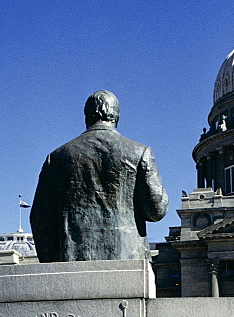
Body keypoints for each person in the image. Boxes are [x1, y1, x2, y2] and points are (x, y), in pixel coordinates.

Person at [30, 90, 168, 262]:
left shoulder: (57, 158)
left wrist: (51, 262)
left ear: (86, 116)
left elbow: (40, 218)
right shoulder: (140, 152)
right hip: (127, 256)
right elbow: (157, 210)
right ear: (116, 117)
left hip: (72, 256)